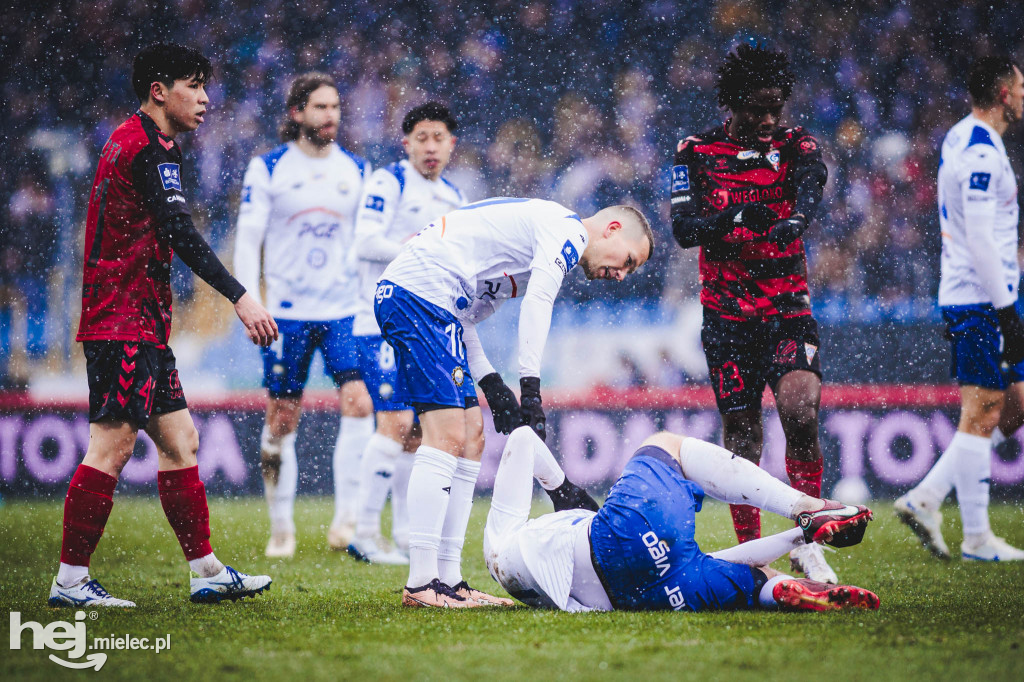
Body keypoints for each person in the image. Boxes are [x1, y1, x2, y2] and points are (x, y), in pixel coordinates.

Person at [50, 43, 278, 607]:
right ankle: (71, 582)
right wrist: (240, 297)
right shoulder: (149, 149)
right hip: (122, 321)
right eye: (193, 86)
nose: (205, 98)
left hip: (139, 321)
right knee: (112, 444)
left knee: (181, 441)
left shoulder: (137, 141)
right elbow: (179, 230)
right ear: (160, 91)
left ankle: (205, 570)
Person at [375, 198, 655, 607]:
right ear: (612, 229)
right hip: (417, 294)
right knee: (446, 435)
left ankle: (450, 580)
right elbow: (539, 304)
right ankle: (421, 583)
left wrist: (491, 382)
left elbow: (464, 318)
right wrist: (530, 391)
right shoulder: (568, 231)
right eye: (629, 260)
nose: (622, 275)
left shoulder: (519, 261)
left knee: (472, 436)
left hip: (428, 301)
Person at [670, 44, 835, 582]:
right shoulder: (694, 152)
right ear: (733, 103)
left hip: (787, 308)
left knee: (801, 410)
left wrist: (799, 218)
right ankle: (756, 554)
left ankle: (809, 541)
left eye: (776, 109)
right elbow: (683, 230)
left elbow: (815, 175)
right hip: (728, 318)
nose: (769, 120)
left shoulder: (794, 143)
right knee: (741, 438)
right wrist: (737, 213)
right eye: (758, 110)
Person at [484, 427, 878, 613]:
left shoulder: (515, 574)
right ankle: (803, 506)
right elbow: (521, 438)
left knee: (751, 578)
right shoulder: (500, 549)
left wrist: (797, 539)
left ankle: (782, 588)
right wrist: (561, 489)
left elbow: (726, 557)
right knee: (665, 444)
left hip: (643, 595)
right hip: (620, 541)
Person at [233, 72, 375, 558]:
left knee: (359, 403)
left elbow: (366, 246)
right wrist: (248, 300)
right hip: (285, 316)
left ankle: (347, 521)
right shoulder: (268, 168)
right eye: (320, 107)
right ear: (297, 113)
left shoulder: (357, 170)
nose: (330, 115)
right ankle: (282, 530)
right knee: (282, 420)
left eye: (335, 106)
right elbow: (249, 240)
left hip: (342, 312)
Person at [895, 56, 1024, 562]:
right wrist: (1008, 311)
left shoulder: (965, 138)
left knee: (1009, 409)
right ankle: (975, 537)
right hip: (980, 298)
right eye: (1021, 84)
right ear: (1003, 93)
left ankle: (928, 495)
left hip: (982, 295)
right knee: (986, 409)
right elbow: (979, 238)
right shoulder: (979, 152)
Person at [348, 102, 466, 564]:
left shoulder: (455, 199)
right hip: (378, 319)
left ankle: (396, 534)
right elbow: (364, 243)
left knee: (415, 434)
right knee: (395, 423)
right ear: (407, 143)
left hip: (422, 324)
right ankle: (362, 533)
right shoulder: (389, 181)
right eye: (422, 137)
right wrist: (418, 249)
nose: (431, 146)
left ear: (451, 144)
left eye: (439, 137)